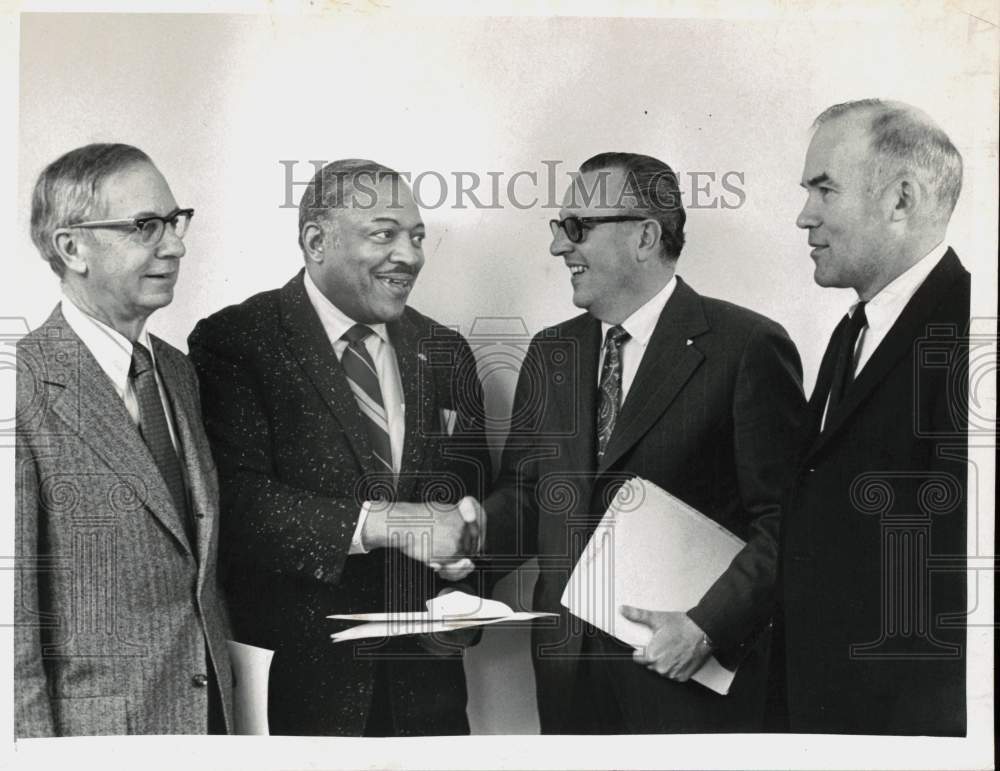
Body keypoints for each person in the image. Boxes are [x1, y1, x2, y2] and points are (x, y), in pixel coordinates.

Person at [484, 152, 808, 733]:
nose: (559, 247)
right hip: (567, 681)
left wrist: (708, 627)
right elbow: (528, 500)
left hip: (690, 686)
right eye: (559, 229)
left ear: (645, 235)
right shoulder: (550, 351)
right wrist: (466, 538)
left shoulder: (748, 346)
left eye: (577, 227)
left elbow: (791, 521)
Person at [187, 159, 491, 736]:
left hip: (427, 700)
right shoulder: (237, 342)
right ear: (315, 240)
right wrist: (388, 523)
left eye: (418, 237)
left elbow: (475, 501)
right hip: (298, 696)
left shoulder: (444, 350)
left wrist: (465, 589)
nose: (410, 255)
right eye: (385, 233)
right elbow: (234, 504)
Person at [15, 143, 233, 736]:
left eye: (174, 221)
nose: (175, 245)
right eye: (145, 226)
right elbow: (11, 640)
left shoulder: (179, 373)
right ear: (71, 247)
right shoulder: (20, 389)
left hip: (210, 729)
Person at [778, 99, 969, 735]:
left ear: (901, 199)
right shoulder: (852, 331)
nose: (804, 215)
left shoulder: (974, 336)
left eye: (823, 189)